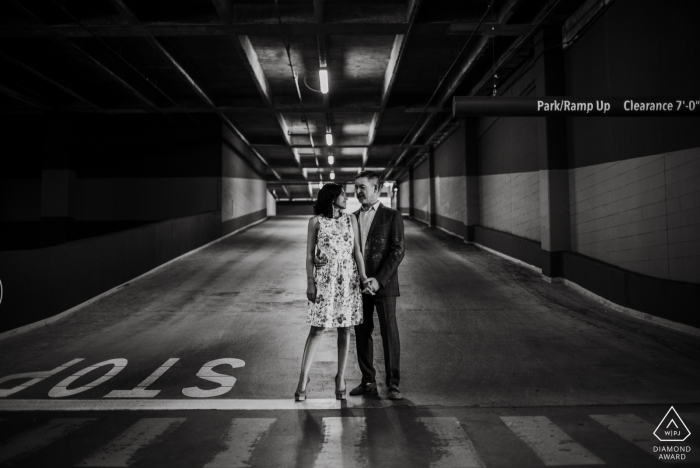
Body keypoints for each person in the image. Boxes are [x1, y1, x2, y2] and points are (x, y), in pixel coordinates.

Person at [315, 171, 406, 400]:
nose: (357, 192)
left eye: (362, 187)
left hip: (383, 285)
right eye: (355, 187)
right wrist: (320, 258)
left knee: (389, 333)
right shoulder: (350, 217)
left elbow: (397, 251)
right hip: (357, 285)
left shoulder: (392, 216)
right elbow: (344, 250)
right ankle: (368, 381)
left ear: (376, 189)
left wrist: (378, 280)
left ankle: (393, 384)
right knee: (362, 333)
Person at [295, 183, 369, 401]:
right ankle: (302, 379)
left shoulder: (351, 220)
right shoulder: (316, 222)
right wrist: (310, 281)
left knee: (345, 329)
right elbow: (310, 255)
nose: (347, 198)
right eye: (343, 195)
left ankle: (341, 377)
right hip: (325, 280)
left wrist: (363, 278)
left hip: (348, 280)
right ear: (331, 198)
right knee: (317, 328)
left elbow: (357, 251)